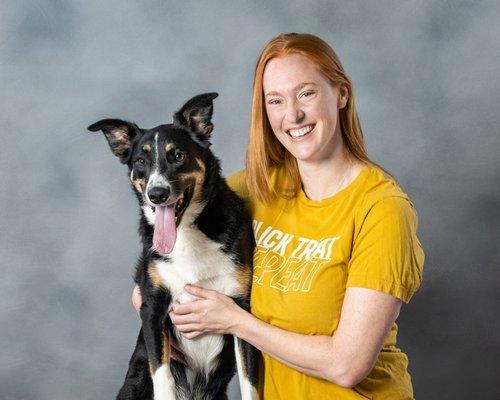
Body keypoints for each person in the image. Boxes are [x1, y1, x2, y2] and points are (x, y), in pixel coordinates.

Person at [132, 33, 424, 399]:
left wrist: (234, 321)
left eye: (307, 93)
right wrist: (171, 323)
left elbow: (347, 364)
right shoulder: (257, 186)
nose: (293, 115)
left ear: (342, 94)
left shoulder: (381, 210)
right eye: (276, 100)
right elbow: (149, 283)